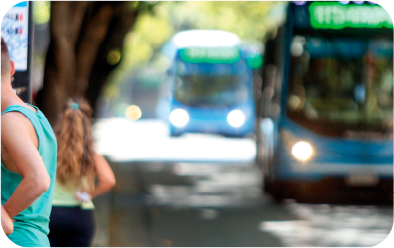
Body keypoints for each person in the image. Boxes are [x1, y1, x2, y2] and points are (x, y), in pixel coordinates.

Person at [0, 35, 58, 246]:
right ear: (12, 67)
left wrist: (5, 216)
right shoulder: (34, 115)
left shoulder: (9, 121)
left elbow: (39, 180)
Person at [48, 98, 116, 247]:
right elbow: (109, 180)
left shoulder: (49, 143)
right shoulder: (89, 150)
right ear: (87, 121)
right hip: (80, 215)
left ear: (61, 117)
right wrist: (89, 194)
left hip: (48, 214)